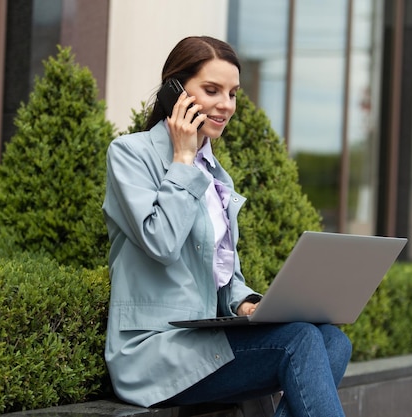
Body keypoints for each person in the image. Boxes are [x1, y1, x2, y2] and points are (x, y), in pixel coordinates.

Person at [102, 35, 352, 417]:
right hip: (155, 350)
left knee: (333, 340)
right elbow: (161, 243)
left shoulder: (218, 176)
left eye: (233, 93)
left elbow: (222, 275)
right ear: (176, 91)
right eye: (212, 89)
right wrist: (182, 161)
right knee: (299, 340)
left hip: (204, 340)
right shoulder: (130, 155)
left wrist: (247, 302)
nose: (226, 105)